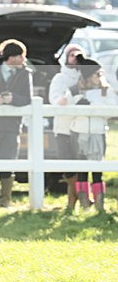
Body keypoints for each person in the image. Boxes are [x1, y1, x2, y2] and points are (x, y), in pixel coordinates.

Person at [0, 39, 32, 207]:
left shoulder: (26, 74)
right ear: (11, 57)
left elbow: (28, 98)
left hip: (12, 127)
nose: (24, 60)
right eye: (21, 56)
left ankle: (6, 200)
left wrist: (14, 99)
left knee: (9, 161)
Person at [66, 54, 117, 212]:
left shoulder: (105, 91)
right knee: (81, 170)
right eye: (96, 74)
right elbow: (67, 110)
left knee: (97, 170)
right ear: (88, 76)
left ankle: (99, 204)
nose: (99, 76)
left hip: (97, 132)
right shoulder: (74, 90)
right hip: (79, 133)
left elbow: (112, 109)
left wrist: (93, 105)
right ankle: (84, 203)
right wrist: (77, 101)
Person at [48, 43, 86, 209]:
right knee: (67, 166)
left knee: (81, 166)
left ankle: (72, 204)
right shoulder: (59, 78)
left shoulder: (87, 76)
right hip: (63, 127)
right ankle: (83, 197)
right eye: (72, 55)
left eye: (79, 55)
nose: (75, 58)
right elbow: (57, 101)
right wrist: (73, 92)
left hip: (83, 127)